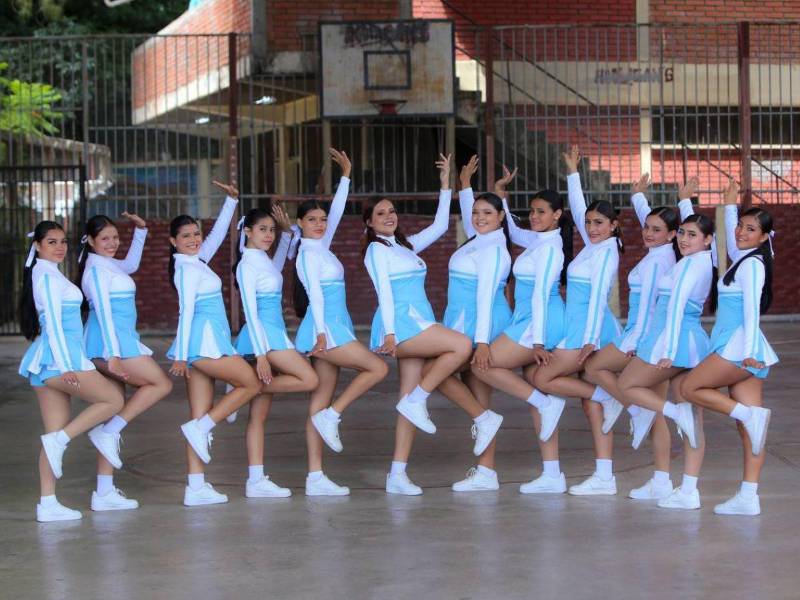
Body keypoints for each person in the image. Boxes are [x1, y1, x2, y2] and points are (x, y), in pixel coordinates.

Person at [363, 154, 503, 495]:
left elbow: (441, 227)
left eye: (391, 211)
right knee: (460, 345)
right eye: (380, 214)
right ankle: (481, 417)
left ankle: (397, 474)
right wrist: (392, 334)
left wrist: (446, 187)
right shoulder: (377, 251)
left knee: (408, 394)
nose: (389, 217)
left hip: (419, 322)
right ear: (368, 222)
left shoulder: (405, 246)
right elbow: (383, 291)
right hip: (402, 326)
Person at [582, 176, 694, 500]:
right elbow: (657, 222)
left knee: (594, 367)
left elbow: (647, 309)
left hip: (642, 338)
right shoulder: (661, 252)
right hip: (647, 338)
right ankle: (660, 480)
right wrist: (638, 197)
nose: (647, 232)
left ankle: (630, 407)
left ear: (673, 235)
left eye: (656, 230)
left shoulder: (660, 261)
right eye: (646, 227)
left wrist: (634, 345)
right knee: (654, 411)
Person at [469, 161, 572, 494]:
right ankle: (552, 474)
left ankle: (547, 405)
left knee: (482, 363)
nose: (535, 216)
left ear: (558, 215)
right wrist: (502, 196)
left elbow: (543, 296)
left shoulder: (551, 249)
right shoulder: (538, 240)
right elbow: (512, 230)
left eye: (541, 212)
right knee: (535, 392)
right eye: (533, 211)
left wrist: (539, 342)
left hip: (538, 323)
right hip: (527, 321)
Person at [294, 148, 389, 496]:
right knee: (376, 369)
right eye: (312, 220)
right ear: (299, 224)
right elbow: (315, 297)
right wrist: (320, 332)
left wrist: (346, 175)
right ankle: (334, 415)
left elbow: (335, 213)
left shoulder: (322, 245)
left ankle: (315, 477)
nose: (320, 224)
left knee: (318, 401)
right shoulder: (306, 253)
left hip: (336, 326)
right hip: (326, 331)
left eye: (321, 220)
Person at [531, 146, 624, 496]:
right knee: (590, 404)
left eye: (599, 223)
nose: (591, 227)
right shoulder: (592, 245)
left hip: (590, 331)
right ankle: (604, 476)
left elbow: (600, 298)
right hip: (578, 328)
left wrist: (588, 340)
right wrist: (572, 172)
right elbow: (580, 204)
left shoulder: (607, 251)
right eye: (588, 222)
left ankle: (608, 396)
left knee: (544, 376)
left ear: (614, 225)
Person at [680, 179, 776, 515]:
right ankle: (749, 497)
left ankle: (748, 414)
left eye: (750, 229)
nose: (741, 232)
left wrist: (749, 349)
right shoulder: (742, 258)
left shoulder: (752, 266)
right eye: (739, 226)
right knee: (751, 431)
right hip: (739, 345)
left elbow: (752, 310)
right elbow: (726, 241)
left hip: (739, 347)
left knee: (689, 386)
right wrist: (729, 204)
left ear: (764, 237)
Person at [19, 221, 124, 521]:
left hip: (49, 362)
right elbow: (52, 323)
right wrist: (66, 366)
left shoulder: (47, 273)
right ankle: (62, 440)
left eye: (63, 241)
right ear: (37, 245)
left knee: (52, 432)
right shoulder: (47, 278)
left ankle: (47, 503)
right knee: (113, 400)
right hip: (60, 361)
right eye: (51, 242)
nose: (60, 247)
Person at [168, 181, 262, 506]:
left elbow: (218, 236)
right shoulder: (186, 271)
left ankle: (195, 486)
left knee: (197, 414)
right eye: (186, 236)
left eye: (196, 234)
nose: (194, 240)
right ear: (173, 242)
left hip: (208, 341)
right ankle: (204, 426)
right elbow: (185, 313)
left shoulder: (197, 261)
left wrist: (231, 201)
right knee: (250, 383)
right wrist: (181, 356)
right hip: (203, 343)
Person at [617, 205, 717, 511]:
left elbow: (674, 310)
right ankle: (686, 489)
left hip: (674, 341)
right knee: (691, 416)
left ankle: (674, 415)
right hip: (680, 341)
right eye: (683, 234)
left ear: (708, 240)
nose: (685, 240)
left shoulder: (690, 265)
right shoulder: (697, 259)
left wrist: (668, 352)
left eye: (692, 235)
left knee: (628, 384)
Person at [79, 211, 173, 511]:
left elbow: (130, 264)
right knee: (160, 383)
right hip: (111, 342)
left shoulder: (108, 265)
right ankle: (109, 431)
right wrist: (114, 355)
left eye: (115, 238)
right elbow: (104, 313)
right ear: (91, 241)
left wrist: (142, 231)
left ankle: (103, 491)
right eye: (104, 239)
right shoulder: (95, 270)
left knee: (116, 405)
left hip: (117, 340)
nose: (112, 243)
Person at [233, 202, 319, 498]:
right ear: (247, 232)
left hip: (275, 334)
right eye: (262, 230)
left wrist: (287, 230)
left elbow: (285, 252)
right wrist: (260, 356)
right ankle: (244, 389)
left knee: (258, 417)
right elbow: (250, 313)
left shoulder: (265, 261)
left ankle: (255, 480)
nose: (268, 235)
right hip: (264, 338)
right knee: (309, 379)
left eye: (270, 230)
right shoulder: (246, 264)